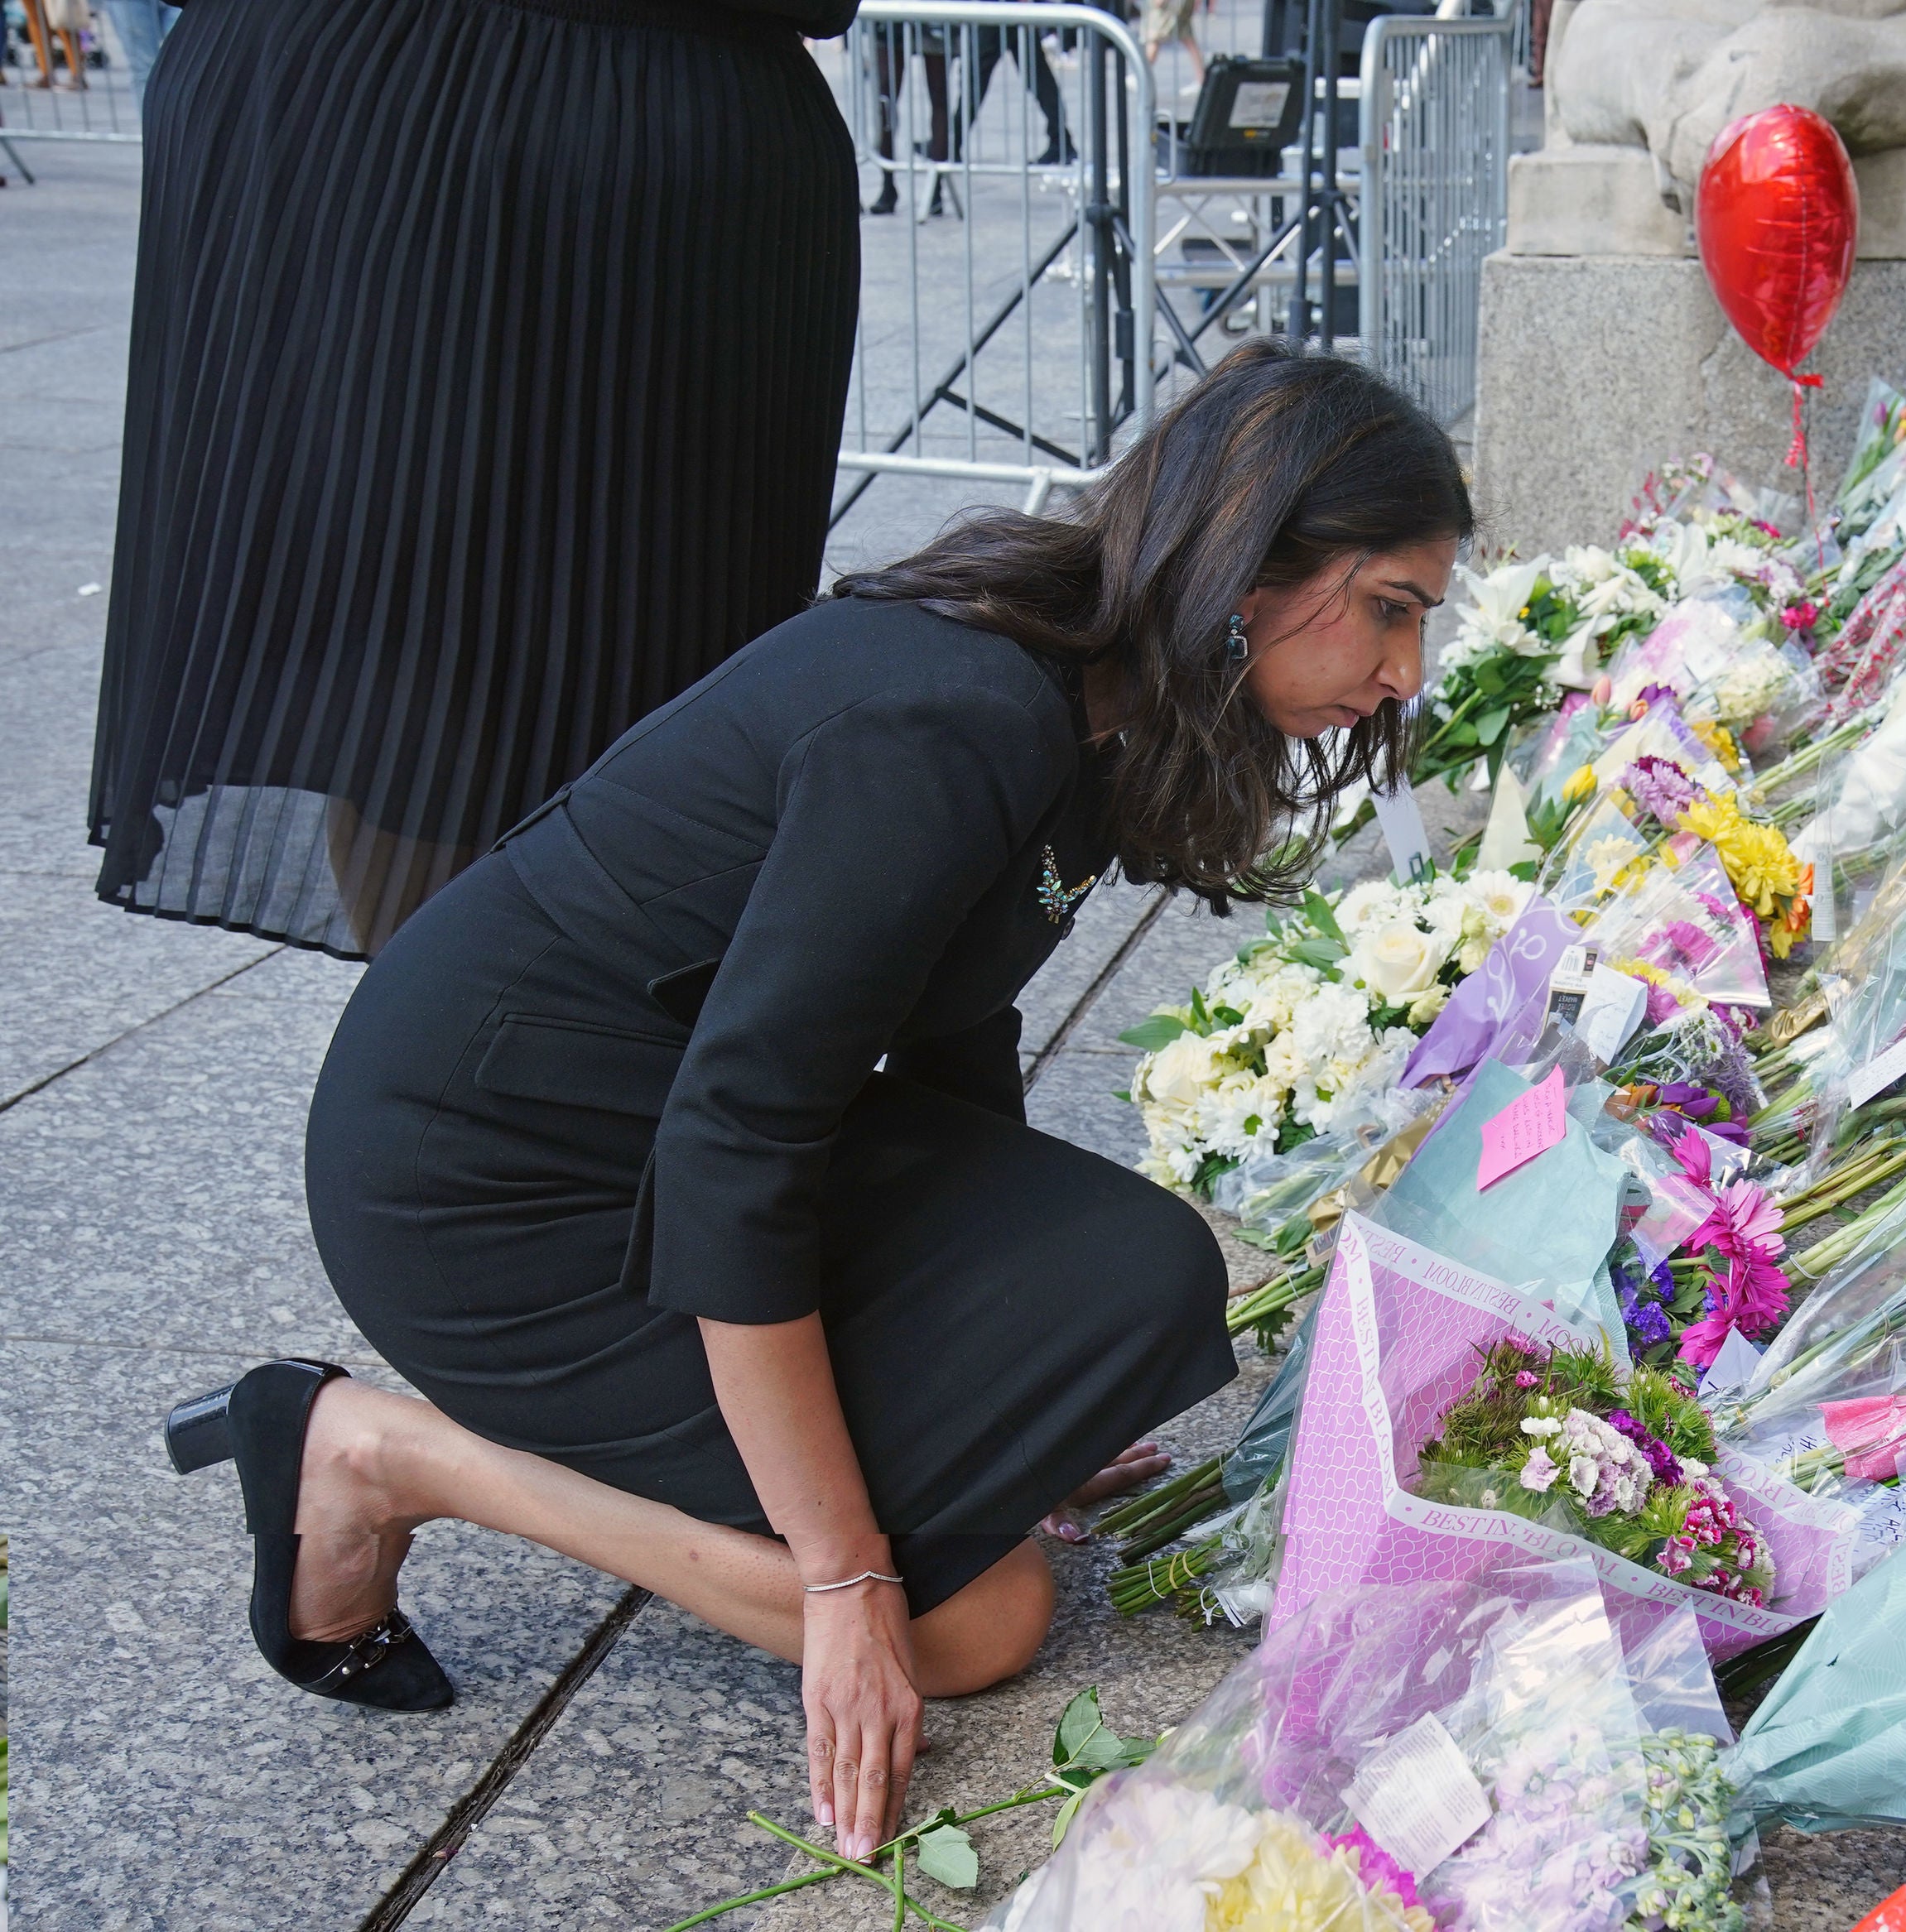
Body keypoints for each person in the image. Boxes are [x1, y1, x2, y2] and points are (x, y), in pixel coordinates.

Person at [161, 340, 1470, 1868]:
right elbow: (740, 1138)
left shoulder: (1083, 685)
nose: (1402, 674)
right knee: (977, 1618)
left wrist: (1008, 1368)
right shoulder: (963, 713)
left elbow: (955, 1014)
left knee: (1132, 1279)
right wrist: (847, 1573)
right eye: (1389, 607)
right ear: (1252, 564)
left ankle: (801, 1463)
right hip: (493, 1187)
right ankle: (380, 1450)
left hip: (643, 1125)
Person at [88, 0, 861, 957]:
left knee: (614, 676)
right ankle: (446, 1084)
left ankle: (464, 1077)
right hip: (456, 101)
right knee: (418, 682)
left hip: (602, 106)